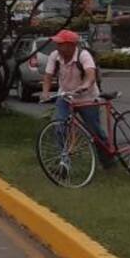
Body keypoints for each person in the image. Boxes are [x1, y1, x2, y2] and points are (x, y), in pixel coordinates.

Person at [42, 30, 112, 165]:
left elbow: (90, 74)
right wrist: (45, 92)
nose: (57, 46)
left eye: (60, 43)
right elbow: (48, 75)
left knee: (95, 131)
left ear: (71, 45)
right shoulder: (54, 56)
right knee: (58, 125)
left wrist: (85, 85)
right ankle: (64, 159)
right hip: (66, 96)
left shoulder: (83, 55)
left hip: (87, 98)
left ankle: (107, 159)